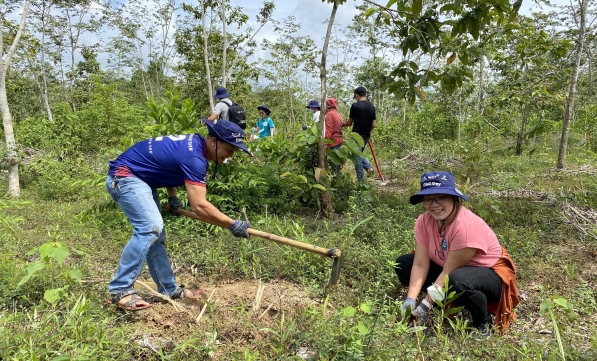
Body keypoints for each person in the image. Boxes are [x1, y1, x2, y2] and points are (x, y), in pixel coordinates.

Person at [105, 120, 253, 311]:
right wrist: (232, 224)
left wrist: (172, 196)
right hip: (125, 176)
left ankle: (168, 289)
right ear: (215, 142)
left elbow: (167, 166)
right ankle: (120, 289)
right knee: (150, 228)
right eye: (230, 150)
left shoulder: (193, 145)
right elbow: (199, 206)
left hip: (143, 178)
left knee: (156, 235)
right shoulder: (195, 158)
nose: (229, 156)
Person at [395, 171, 519, 340]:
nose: (434, 205)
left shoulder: (466, 227)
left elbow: (447, 272)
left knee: (457, 280)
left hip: (489, 275)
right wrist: (410, 300)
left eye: (441, 198)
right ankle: (447, 304)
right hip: (451, 269)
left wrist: (424, 306)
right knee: (404, 264)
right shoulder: (423, 221)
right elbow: (420, 264)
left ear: (454, 198)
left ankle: (482, 322)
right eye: (429, 199)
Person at [342, 86, 375, 181]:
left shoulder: (355, 106)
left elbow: (349, 123)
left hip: (357, 136)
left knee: (357, 158)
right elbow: (373, 125)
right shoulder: (372, 107)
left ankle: (361, 182)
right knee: (358, 154)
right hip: (366, 136)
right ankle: (369, 168)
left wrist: (341, 125)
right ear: (366, 95)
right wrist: (368, 131)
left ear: (356, 95)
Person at [324, 98, 344, 172]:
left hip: (333, 141)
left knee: (334, 161)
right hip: (339, 139)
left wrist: (325, 142)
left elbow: (329, 129)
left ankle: (336, 178)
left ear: (328, 105)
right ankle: (338, 176)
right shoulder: (338, 114)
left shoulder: (329, 114)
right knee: (337, 160)